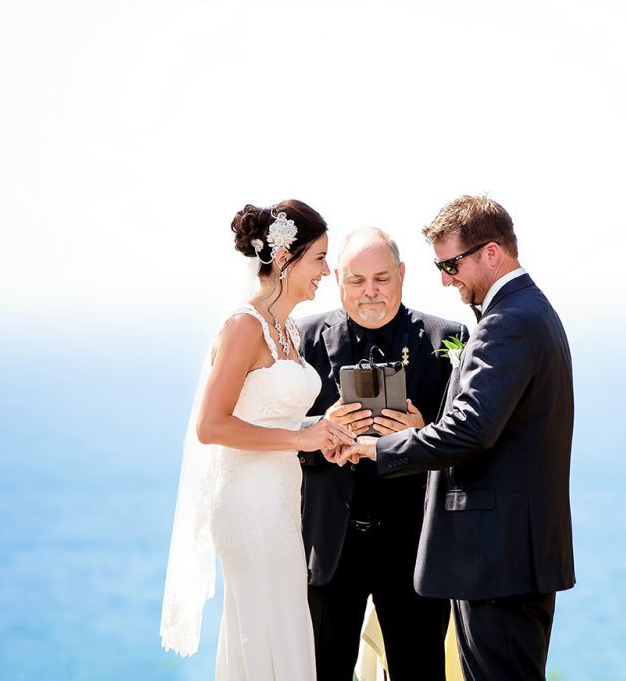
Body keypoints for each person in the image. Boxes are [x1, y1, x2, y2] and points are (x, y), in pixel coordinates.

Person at [333, 196, 576, 681]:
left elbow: (470, 429)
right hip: (509, 556)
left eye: (450, 264)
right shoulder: (527, 311)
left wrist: (376, 447)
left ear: (490, 253)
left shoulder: (507, 321)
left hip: (496, 559)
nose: (445, 279)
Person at [160, 200, 356, 681]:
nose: (326, 272)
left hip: (282, 501)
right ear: (286, 257)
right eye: (318, 259)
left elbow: (270, 412)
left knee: (280, 627)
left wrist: (320, 428)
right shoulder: (244, 326)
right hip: (249, 507)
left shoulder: (284, 328)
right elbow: (212, 425)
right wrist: (301, 437)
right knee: (273, 627)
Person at [294, 228, 466, 681]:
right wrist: (321, 433)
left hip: (415, 552)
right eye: (356, 280)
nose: (370, 291)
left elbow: (473, 440)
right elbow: (278, 442)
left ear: (403, 275)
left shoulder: (451, 338)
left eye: (382, 278)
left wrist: (423, 432)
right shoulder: (301, 338)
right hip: (330, 550)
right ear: (338, 280)